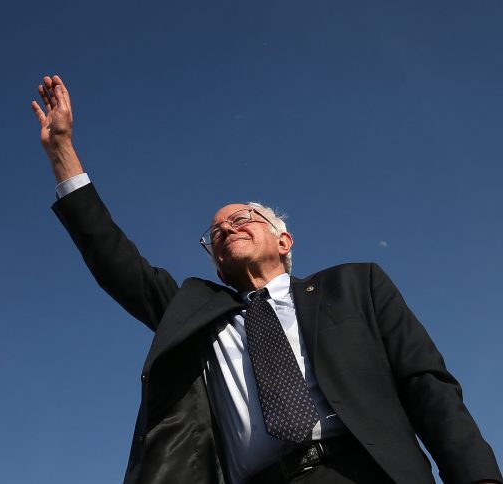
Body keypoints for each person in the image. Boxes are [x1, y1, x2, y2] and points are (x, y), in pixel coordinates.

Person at [31, 75, 502, 484]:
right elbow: (112, 256)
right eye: (215, 232)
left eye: (242, 217)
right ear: (216, 262)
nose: (226, 227)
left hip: (367, 473)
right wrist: (62, 153)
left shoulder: (357, 286)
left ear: (284, 241)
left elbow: (426, 383)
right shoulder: (197, 317)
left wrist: (476, 475)